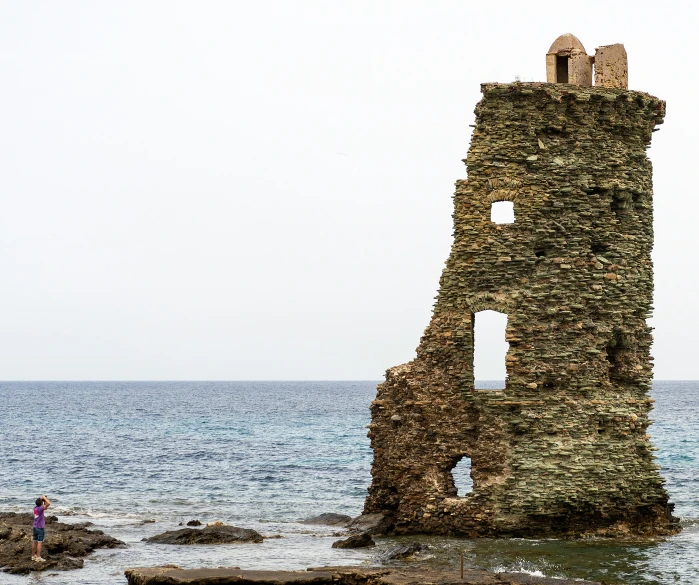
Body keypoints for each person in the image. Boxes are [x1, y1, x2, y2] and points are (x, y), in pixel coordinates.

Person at [31, 495, 50, 562]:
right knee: (39, 542)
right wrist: (44, 498)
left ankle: (33, 556)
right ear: (41, 504)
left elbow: (45, 506)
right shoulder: (40, 509)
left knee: (34, 541)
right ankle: (38, 557)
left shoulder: (35, 508)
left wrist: (42, 499)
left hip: (35, 527)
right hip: (40, 528)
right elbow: (48, 504)